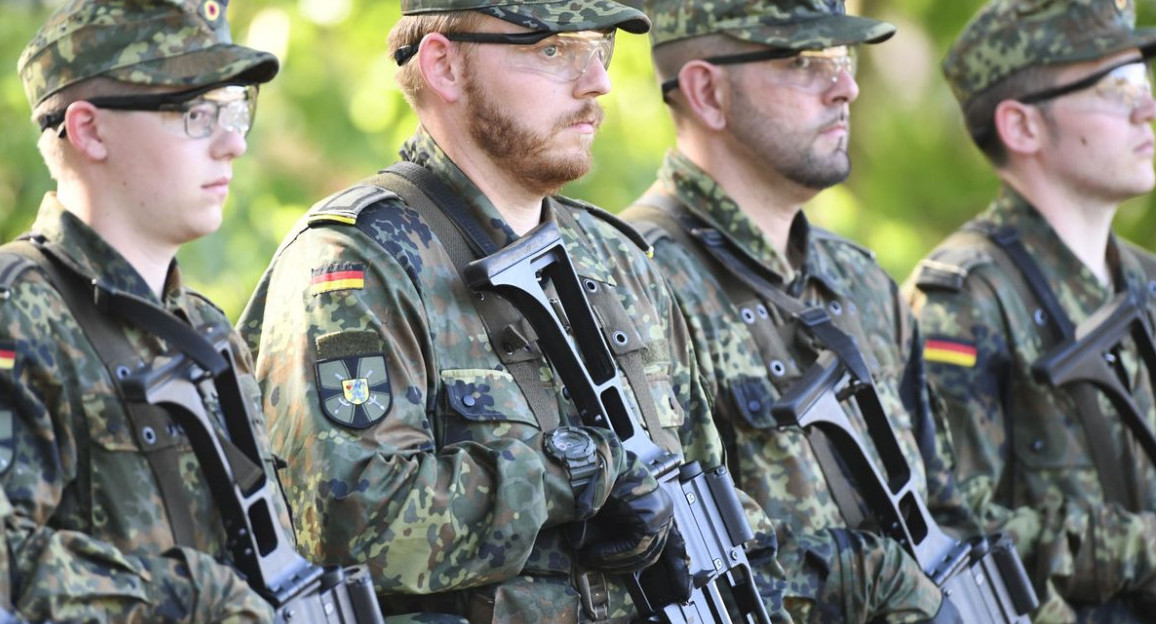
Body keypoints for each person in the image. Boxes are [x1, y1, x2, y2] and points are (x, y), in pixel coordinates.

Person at [238, 0, 772, 622]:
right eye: (552, 50)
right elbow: (343, 527)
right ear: (445, 67)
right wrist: (574, 474)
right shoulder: (355, 264)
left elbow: (708, 479)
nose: (596, 80)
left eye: (597, 48)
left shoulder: (619, 259)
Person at [619, 1, 981, 622]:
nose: (847, 87)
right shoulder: (635, 283)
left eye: (842, 59)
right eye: (804, 61)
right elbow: (666, 572)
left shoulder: (861, 281)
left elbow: (945, 507)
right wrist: (871, 577)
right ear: (708, 91)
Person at [0, 0, 290, 621]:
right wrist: (200, 600)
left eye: (235, 109)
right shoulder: (18, 309)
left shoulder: (208, 332)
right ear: (89, 130)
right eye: (194, 113)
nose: (232, 142)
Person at [905, 0, 1156, 621]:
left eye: (1142, 82)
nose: (1146, 107)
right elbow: (954, 530)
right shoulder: (965, 300)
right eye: (1114, 87)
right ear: (1021, 127)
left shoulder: (1145, 278)